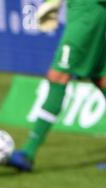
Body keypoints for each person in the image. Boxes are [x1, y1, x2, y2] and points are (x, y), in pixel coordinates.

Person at [8, 0, 106, 172]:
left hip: (86, 14)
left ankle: (28, 153)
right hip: (83, 11)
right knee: (102, 78)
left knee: (58, 76)